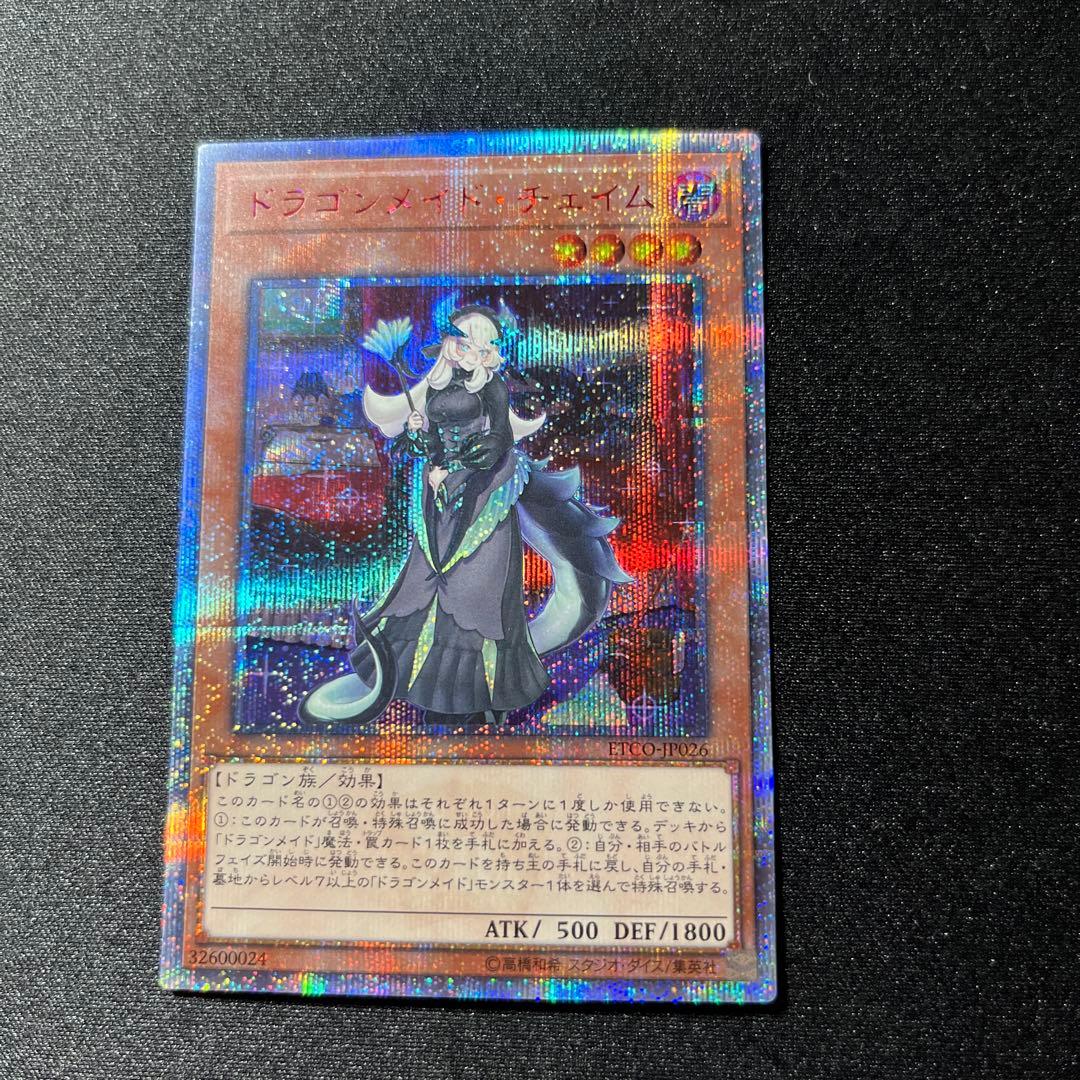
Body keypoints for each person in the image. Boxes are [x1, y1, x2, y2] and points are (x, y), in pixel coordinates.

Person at [299, 303, 631, 730]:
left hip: (484, 491)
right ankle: (418, 683)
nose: (468, 352)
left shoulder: (492, 387)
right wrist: (420, 438)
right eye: (461, 342)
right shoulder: (437, 386)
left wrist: (469, 459)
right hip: (438, 492)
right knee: (424, 586)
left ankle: (481, 694)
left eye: (478, 345)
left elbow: (499, 437)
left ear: (487, 351)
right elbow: (426, 440)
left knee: (474, 593)